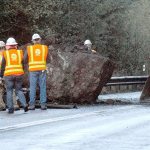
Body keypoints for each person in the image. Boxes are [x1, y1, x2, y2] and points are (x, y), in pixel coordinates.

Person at [0, 37, 28, 113]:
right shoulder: (20, 52)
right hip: (19, 74)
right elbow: (22, 65)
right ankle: (25, 105)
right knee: (19, 90)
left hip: (8, 75)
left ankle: (11, 108)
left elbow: (3, 66)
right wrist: (21, 72)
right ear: (15, 45)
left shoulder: (5, 53)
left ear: (8, 46)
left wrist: (1, 75)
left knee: (9, 91)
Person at [25, 33, 49, 110]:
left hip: (32, 70)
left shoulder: (29, 48)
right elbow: (48, 59)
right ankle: (43, 105)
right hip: (42, 69)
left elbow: (24, 59)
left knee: (32, 87)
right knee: (42, 87)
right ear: (40, 40)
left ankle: (32, 105)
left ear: (33, 41)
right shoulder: (45, 48)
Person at [0, 41, 6, 111]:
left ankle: (2, 105)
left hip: (1, 74)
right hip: (7, 73)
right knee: (10, 90)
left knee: (0, 90)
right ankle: (14, 104)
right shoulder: (7, 54)